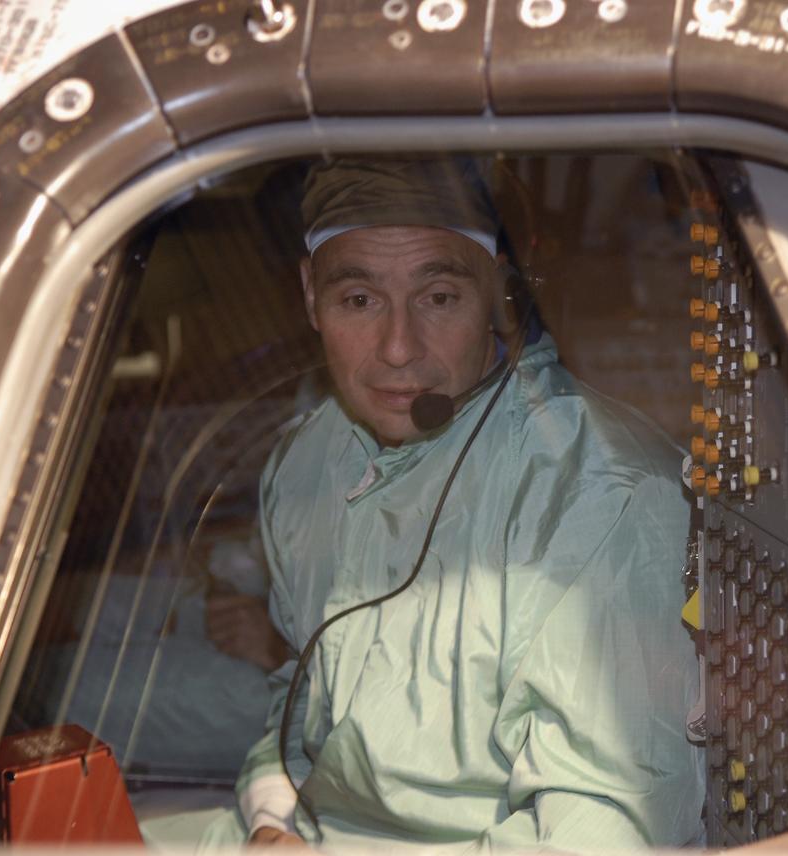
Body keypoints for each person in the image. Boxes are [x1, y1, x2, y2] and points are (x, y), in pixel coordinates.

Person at [200, 158, 704, 851]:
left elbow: (609, 826)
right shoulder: (307, 462)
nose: (399, 349)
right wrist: (268, 817)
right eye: (359, 300)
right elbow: (298, 697)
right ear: (309, 296)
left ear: (500, 293)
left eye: (439, 297)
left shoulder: (603, 494)